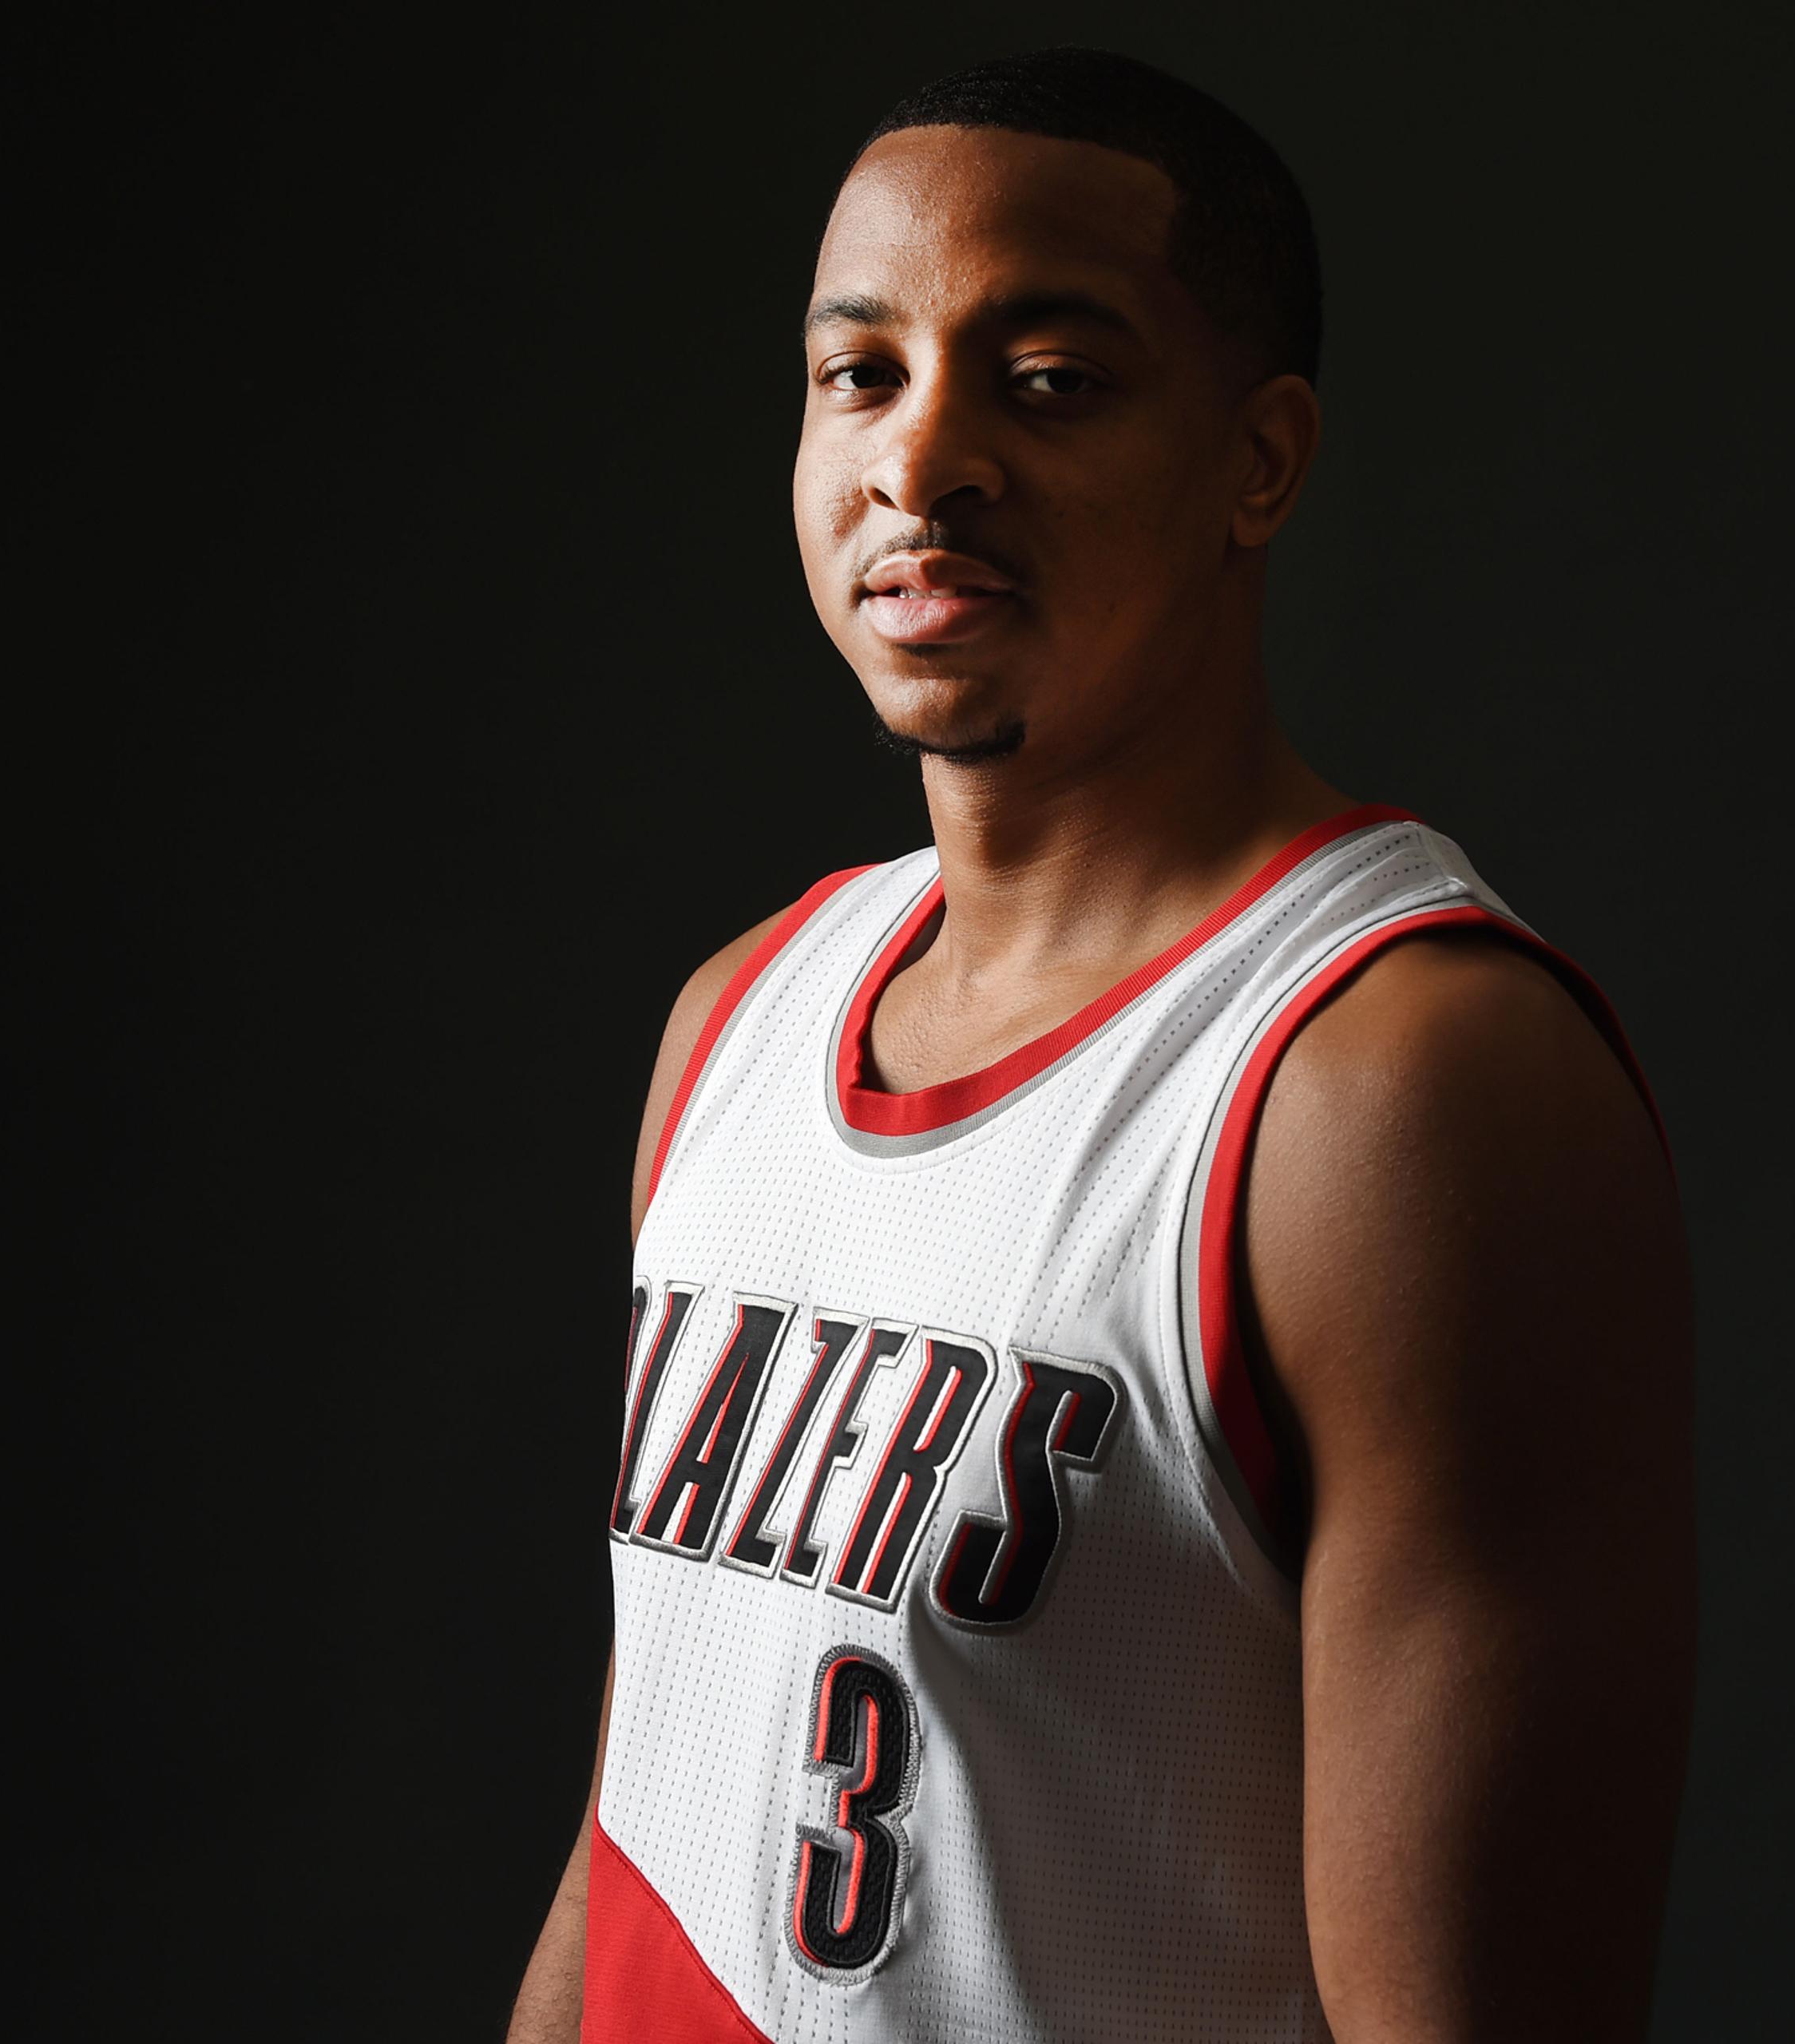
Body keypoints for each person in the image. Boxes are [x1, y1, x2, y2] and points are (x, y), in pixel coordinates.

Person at [508, 48, 1692, 2044]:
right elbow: (653, 1811)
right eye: (860, 373)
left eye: (1050, 379)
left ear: (1260, 461)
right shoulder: (742, 1016)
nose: (923, 460)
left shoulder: (1395, 1083)